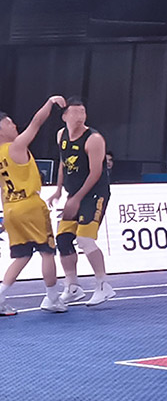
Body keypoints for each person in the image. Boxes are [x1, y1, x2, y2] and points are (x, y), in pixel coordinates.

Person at [0, 96, 69, 316]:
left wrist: (5, 215)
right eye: (9, 123)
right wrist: (49, 103)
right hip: (30, 205)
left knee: (22, 255)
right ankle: (52, 299)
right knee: (47, 252)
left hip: (11, 207)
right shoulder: (16, 146)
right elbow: (37, 122)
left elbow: (2, 189)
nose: (14, 126)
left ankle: (0, 296)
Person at [50, 99, 113, 307]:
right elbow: (63, 163)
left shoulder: (94, 139)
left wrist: (76, 199)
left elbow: (96, 173)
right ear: (64, 116)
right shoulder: (61, 135)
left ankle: (103, 285)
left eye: (83, 112)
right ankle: (73, 287)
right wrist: (59, 190)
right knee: (63, 239)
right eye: (75, 113)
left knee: (85, 239)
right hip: (73, 194)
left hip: (94, 195)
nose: (80, 117)